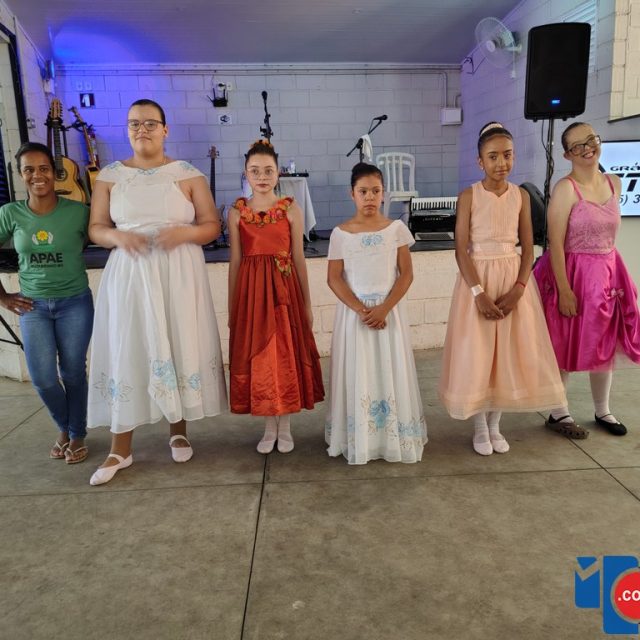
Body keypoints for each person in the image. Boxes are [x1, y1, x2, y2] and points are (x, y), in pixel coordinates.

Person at [87, 99, 227, 485]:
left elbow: (211, 225)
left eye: (150, 123)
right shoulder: (110, 176)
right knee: (128, 346)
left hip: (177, 270)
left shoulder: (188, 174)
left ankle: (178, 429)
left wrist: (184, 233)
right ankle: (120, 447)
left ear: (165, 129)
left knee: (177, 339)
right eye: (134, 123)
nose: (142, 129)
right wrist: (116, 237)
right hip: (130, 272)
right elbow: (96, 227)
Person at [438, 122, 566, 455]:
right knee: (479, 353)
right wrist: (478, 293)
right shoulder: (469, 196)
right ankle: (480, 426)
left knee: (506, 352)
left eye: (507, 155)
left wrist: (520, 287)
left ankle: (495, 423)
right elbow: (461, 249)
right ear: (480, 161)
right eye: (493, 156)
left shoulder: (520, 196)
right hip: (478, 281)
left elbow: (528, 246)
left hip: (512, 280)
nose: (501, 163)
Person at [534, 122, 640, 438]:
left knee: (604, 342)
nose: (587, 148)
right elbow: (555, 242)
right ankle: (558, 412)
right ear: (567, 154)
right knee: (564, 341)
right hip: (573, 273)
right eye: (578, 145)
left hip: (608, 275)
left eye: (591, 140)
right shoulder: (566, 189)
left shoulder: (614, 183)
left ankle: (602, 409)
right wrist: (564, 290)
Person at [325, 163, 426, 464]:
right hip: (355, 316)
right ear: (352, 194)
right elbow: (334, 278)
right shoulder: (340, 234)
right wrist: (362, 310)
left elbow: (406, 274)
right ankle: (361, 438)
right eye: (363, 191)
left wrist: (383, 309)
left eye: (375, 191)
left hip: (388, 313)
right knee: (360, 371)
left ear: (384, 194)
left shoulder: (396, 230)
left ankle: (392, 438)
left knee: (388, 369)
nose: (369, 197)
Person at [227, 139, 324, 454]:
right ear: (246, 173)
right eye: (255, 170)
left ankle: (286, 426)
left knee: (284, 356)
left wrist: (307, 304)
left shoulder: (291, 209)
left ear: (278, 172)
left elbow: (298, 259)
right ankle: (269, 426)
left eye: (268, 170)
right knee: (262, 359)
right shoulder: (237, 213)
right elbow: (235, 262)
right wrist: (232, 306)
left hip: (284, 292)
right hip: (252, 295)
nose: (262, 176)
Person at [0, 142, 93, 464]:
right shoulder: (10, 213)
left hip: (75, 303)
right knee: (42, 377)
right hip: (33, 306)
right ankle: (65, 426)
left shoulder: (79, 212)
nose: (37, 175)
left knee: (73, 372)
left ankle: (76, 433)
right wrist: (3, 296)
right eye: (29, 169)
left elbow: (99, 237)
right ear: (20, 174)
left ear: (54, 173)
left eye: (43, 168)